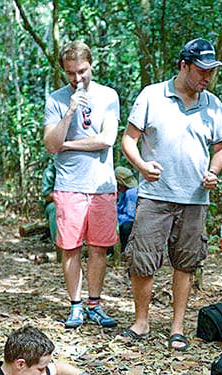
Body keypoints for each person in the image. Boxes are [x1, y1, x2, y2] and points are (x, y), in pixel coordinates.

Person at [120, 37, 222, 351]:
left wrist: (214, 171)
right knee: (142, 260)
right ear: (184, 65)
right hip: (155, 194)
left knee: (186, 262)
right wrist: (141, 165)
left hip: (195, 199)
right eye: (201, 70)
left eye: (211, 72)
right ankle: (141, 323)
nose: (206, 78)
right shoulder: (152, 96)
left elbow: (221, 149)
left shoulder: (213, 105)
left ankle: (177, 328)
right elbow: (129, 139)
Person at [43, 40, 120, 329]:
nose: (77, 78)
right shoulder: (56, 100)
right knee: (70, 248)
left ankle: (95, 305)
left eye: (83, 71)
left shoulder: (108, 95)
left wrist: (69, 144)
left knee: (100, 248)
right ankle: (75, 306)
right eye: (71, 73)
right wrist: (70, 112)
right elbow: (51, 145)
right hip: (69, 185)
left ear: (91, 64)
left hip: (101, 184)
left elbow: (106, 139)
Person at [115, 166, 138, 251]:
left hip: (129, 224)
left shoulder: (130, 193)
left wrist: (116, 219)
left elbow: (131, 216)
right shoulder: (123, 193)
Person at [40, 160, 58, 244]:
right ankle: (57, 242)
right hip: (54, 203)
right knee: (55, 209)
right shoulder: (50, 172)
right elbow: (47, 196)